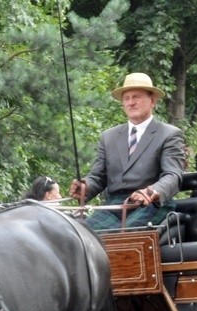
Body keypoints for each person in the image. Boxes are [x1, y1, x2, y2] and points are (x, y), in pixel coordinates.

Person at [69, 72, 184, 230]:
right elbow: (98, 176)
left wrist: (152, 192)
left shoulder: (169, 134)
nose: (131, 103)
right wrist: (85, 187)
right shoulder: (108, 137)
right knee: (82, 234)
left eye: (136, 97)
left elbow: (173, 175)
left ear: (152, 101)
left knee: (125, 235)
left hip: (150, 205)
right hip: (114, 205)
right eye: (126, 98)